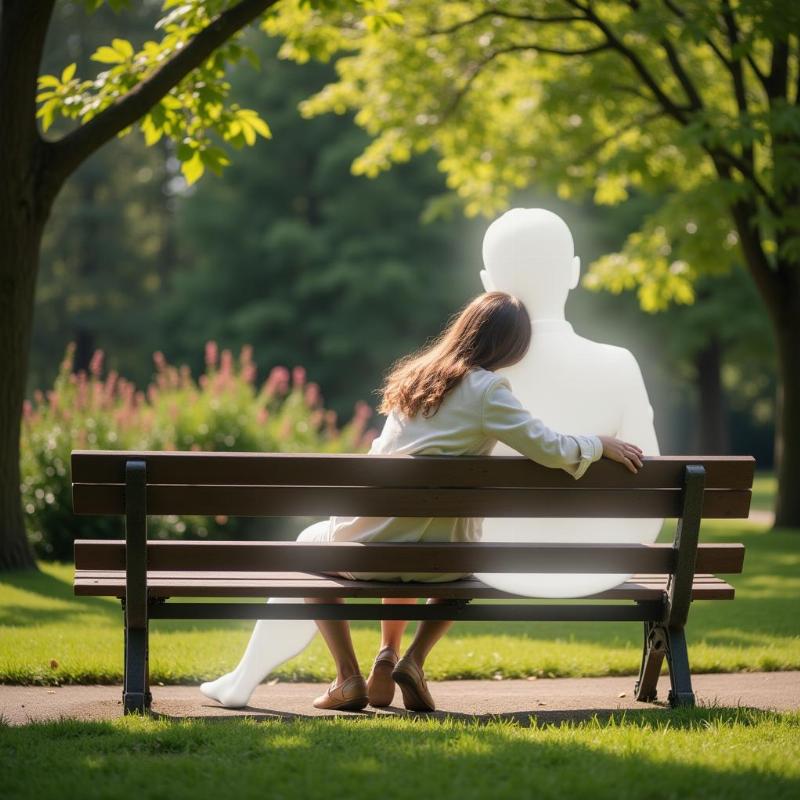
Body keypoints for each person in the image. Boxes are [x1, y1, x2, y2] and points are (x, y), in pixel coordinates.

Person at [201, 291, 643, 713]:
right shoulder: (489, 390)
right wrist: (596, 443)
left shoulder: (416, 380)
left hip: (374, 550)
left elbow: (378, 460)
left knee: (308, 545)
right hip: (446, 559)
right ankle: (410, 659)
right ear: (510, 345)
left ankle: (347, 676)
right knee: (456, 554)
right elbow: (547, 447)